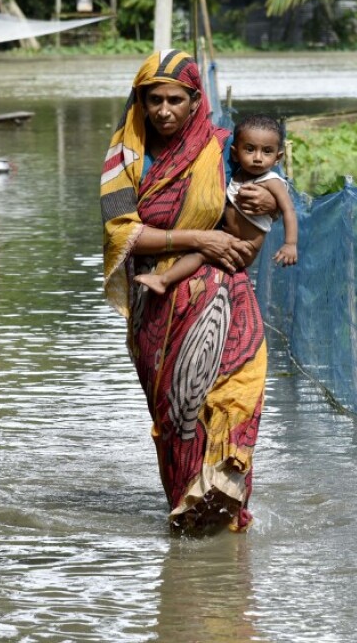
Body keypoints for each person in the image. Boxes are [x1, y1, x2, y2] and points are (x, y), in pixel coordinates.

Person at [101, 49, 279, 535]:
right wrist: (198, 237)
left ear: (195, 100)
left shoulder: (224, 149)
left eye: (174, 100)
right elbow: (123, 233)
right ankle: (185, 514)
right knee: (178, 419)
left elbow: (258, 209)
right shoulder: (124, 158)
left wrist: (267, 196)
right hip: (157, 306)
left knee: (234, 394)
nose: (163, 111)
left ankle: (229, 524)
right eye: (153, 100)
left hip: (226, 298)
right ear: (139, 101)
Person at [134, 113, 298, 296]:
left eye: (267, 151)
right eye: (250, 150)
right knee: (199, 254)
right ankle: (164, 281)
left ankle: (164, 280)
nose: (258, 158)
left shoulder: (272, 181)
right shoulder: (235, 173)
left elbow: (289, 210)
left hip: (243, 248)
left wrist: (290, 243)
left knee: (200, 255)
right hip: (223, 239)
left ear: (278, 157)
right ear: (235, 154)